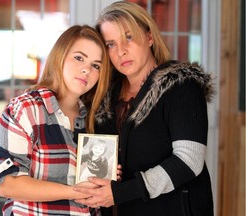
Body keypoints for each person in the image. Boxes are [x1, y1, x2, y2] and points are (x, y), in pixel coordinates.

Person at [73, 1, 215, 216]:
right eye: (110, 44)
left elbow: (189, 160)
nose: (121, 51)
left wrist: (122, 192)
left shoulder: (180, 85)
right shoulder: (102, 95)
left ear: (149, 37)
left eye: (128, 37)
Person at [0, 24, 112, 216]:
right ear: (60, 56)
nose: (86, 70)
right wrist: (74, 191)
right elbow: (7, 184)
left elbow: (94, 190)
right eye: (79, 58)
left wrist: (106, 174)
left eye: (96, 65)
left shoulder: (94, 118)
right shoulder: (26, 109)